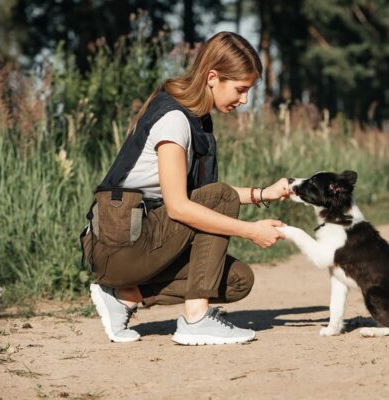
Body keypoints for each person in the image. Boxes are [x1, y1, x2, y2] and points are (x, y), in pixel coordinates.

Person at [82, 31, 289, 345]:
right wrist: (250, 231)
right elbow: (181, 206)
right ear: (212, 77)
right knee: (219, 196)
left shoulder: (197, 118)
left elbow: (198, 196)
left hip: (143, 239)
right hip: (117, 246)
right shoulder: (175, 120)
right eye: (240, 89)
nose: (244, 100)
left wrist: (262, 193)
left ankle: (125, 295)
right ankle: (196, 319)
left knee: (237, 280)